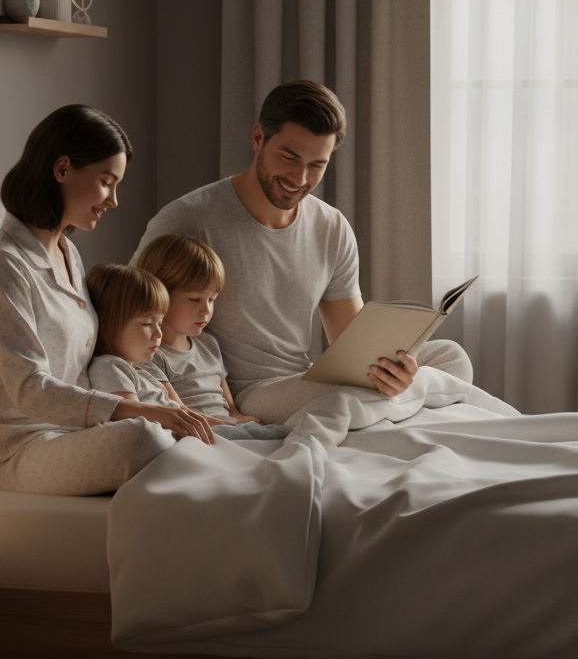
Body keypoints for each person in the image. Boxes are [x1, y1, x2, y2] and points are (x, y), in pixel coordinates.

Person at [130, 79, 473, 424]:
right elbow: (128, 313)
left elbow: (350, 344)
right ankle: (396, 409)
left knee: (450, 357)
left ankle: (392, 404)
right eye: (289, 157)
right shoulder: (188, 218)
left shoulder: (331, 227)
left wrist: (394, 370)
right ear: (258, 138)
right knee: (357, 394)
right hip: (246, 393)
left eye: (316, 165)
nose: (299, 177)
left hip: (304, 379)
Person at [0, 104, 213, 498]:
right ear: (62, 169)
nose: (113, 200)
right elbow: (29, 388)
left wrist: (155, 396)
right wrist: (145, 411)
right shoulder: (2, 264)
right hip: (23, 447)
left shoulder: (67, 252)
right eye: (106, 182)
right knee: (145, 438)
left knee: (173, 433)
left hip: (81, 431)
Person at [86, 259, 290, 442]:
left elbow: (182, 410)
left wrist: (231, 424)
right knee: (274, 438)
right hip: (178, 437)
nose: (158, 334)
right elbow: (130, 420)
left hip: (190, 430)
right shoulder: (109, 366)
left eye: (160, 322)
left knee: (277, 435)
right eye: (148, 324)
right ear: (110, 325)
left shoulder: (145, 369)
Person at [135, 234, 292, 440]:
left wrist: (236, 415)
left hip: (225, 424)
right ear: (160, 293)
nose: (206, 310)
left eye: (212, 299)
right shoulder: (150, 353)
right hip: (195, 429)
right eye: (195, 299)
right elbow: (177, 412)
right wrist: (229, 426)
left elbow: (222, 388)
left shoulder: (208, 343)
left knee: (292, 435)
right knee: (281, 438)